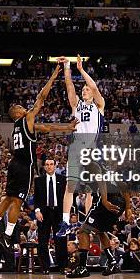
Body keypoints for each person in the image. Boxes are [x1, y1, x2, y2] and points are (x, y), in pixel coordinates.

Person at [0, 65, 77, 252]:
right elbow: (41, 98)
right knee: (17, 200)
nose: (23, 107)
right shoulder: (27, 119)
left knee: (9, 197)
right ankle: (8, 235)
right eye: (19, 107)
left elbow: (48, 128)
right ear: (17, 113)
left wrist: (68, 127)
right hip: (24, 166)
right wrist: (53, 75)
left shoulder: (22, 125)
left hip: (14, 164)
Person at [56, 55, 105, 238]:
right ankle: (65, 222)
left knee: (90, 190)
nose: (84, 90)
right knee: (70, 186)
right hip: (76, 147)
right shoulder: (76, 105)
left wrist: (81, 69)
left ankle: (88, 221)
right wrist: (68, 67)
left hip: (91, 148)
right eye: (83, 89)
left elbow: (93, 86)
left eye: (86, 89)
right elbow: (69, 87)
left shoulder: (99, 105)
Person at [67, 178, 131, 278]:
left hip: (107, 202)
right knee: (101, 231)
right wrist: (127, 208)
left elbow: (103, 182)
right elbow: (124, 186)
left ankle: (82, 267)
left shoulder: (95, 166)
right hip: (119, 203)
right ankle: (112, 262)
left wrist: (104, 200)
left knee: (83, 230)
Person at [33, 159, 67, 274]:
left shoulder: (63, 180)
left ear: (55, 165)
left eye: (51, 164)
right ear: (44, 166)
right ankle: (45, 267)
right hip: (44, 213)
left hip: (59, 213)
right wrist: (37, 211)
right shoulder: (38, 180)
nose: (49, 166)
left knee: (61, 240)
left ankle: (62, 267)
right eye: (47, 164)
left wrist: (66, 215)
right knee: (42, 241)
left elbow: (67, 198)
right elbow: (36, 198)